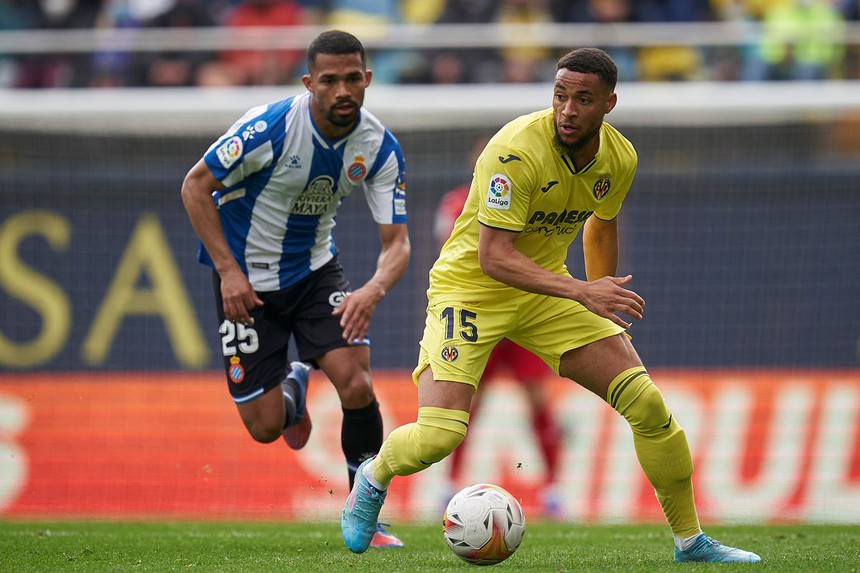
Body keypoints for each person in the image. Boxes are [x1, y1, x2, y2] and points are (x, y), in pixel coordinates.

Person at [340, 47, 762, 563]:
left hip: (546, 294)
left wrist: (601, 292)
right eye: (560, 95)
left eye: (582, 99)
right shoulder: (514, 150)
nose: (567, 109)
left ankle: (690, 541)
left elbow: (600, 223)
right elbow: (493, 257)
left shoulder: (619, 157)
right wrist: (585, 291)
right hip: (471, 292)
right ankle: (373, 474)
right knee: (439, 436)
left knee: (647, 405)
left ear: (609, 102)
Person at [181, 29, 409, 549]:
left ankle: (364, 511)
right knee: (264, 428)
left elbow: (397, 244)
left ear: (367, 79)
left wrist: (371, 289)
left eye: (353, 78)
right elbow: (195, 186)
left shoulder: (377, 146)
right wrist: (228, 271)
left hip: (314, 274)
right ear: (309, 83)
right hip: (244, 284)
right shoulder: (270, 128)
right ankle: (294, 386)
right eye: (329, 80)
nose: (343, 90)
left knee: (356, 382)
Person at [435, 136, 564, 518]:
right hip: (478, 319)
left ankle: (554, 489)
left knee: (538, 402)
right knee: (465, 408)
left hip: (522, 318)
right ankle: (449, 485)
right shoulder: (455, 204)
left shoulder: (528, 201)